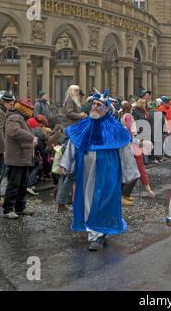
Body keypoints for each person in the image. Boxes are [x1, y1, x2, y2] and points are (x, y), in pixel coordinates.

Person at [59, 89, 139, 251]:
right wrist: (66, 163)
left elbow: (124, 151)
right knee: (87, 200)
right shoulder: (84, 124)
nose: (94, 107)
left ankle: (98, 234)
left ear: (106, 108)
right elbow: (73, 145)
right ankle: (95, 231)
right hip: (85, 172)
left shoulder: (115, 127)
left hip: (107, 171)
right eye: (93, 104)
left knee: (104, 200)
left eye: (98, 105)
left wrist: (129, 172)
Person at [2, 99, 38, 219]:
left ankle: (20, 207)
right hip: (17, 157)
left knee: (22, 184)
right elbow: (14, 131)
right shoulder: (14, 117)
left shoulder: (20, 118)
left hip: (22, 157)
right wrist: (31, 137)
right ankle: (8, 209)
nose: (31, 113)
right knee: (14, 184)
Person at [56, 85, 88, 213]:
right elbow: (69, 113)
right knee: (71, 174)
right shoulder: (71, 100)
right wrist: (80, 115)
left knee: (71, 175)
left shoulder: (72, 100)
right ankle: (63, 203)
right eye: (77, 90)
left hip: (73, 134)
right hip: (72, 134)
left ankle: (64, 202)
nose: (79, 91)